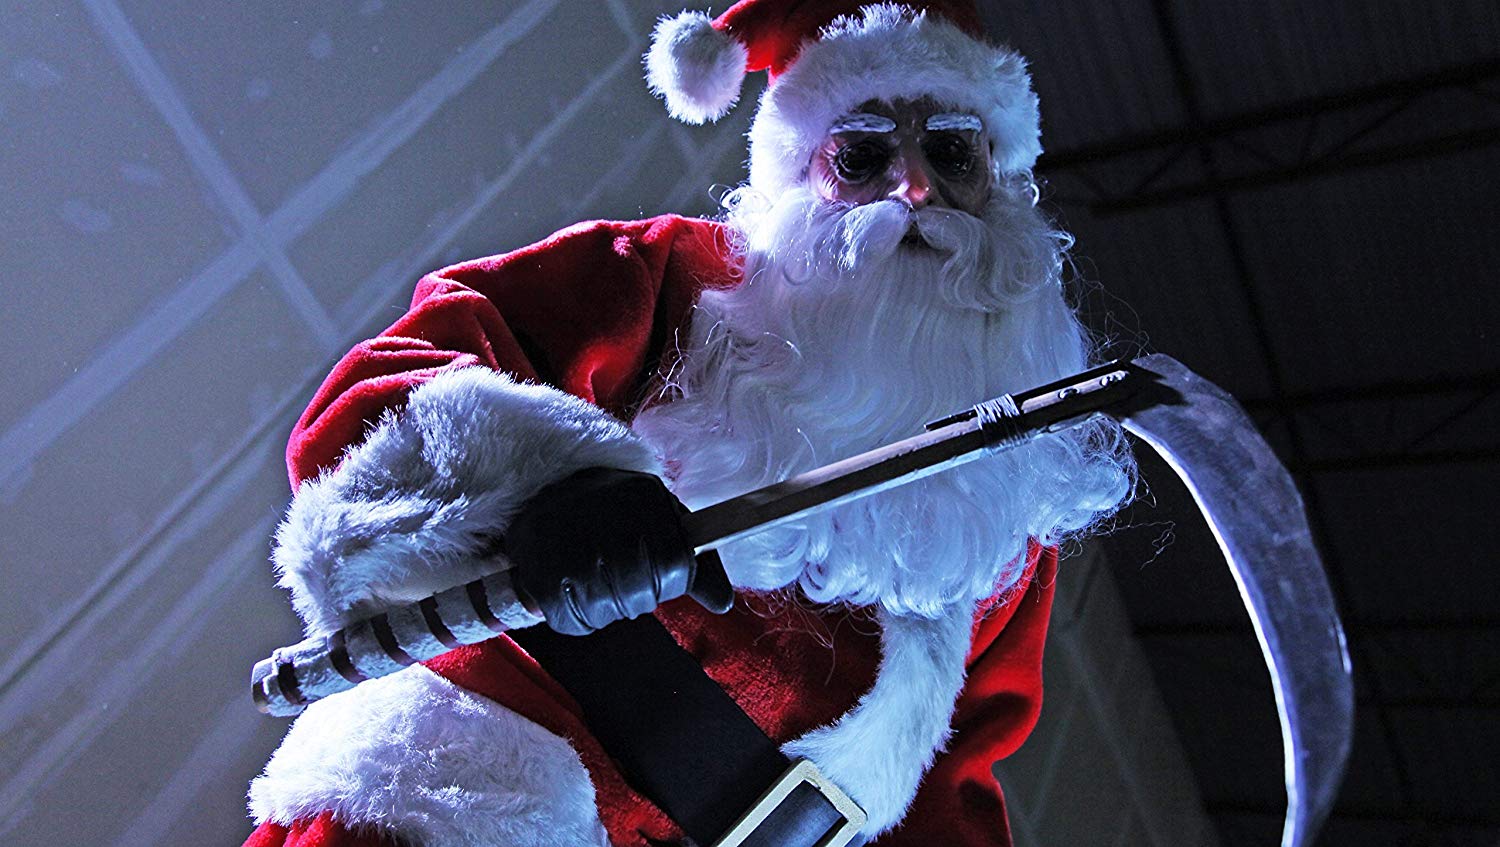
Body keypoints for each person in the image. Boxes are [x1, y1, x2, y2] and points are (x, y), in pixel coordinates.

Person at [242, 2, 1134, 846]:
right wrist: (555, 486)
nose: (914, 188)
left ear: (997, 177)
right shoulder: (673, 279)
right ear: (803, 172)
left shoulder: (1003, 507)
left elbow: (947, 798)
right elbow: (390, 387)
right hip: (447, 805)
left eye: (951, 151)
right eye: (862, 156)